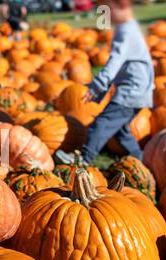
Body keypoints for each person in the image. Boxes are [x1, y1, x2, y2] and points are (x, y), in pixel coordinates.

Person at [55, 0, 153, 165]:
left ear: (122, 9)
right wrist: (102, 90)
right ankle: (141, 160)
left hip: (132, 91)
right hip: (140, 91)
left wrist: (96, 86)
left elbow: (114, 62)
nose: (107, 14)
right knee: (121, 131)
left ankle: (83, 159)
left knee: (102, 123)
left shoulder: (126, 31)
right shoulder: (130, 29)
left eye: (109, 9)